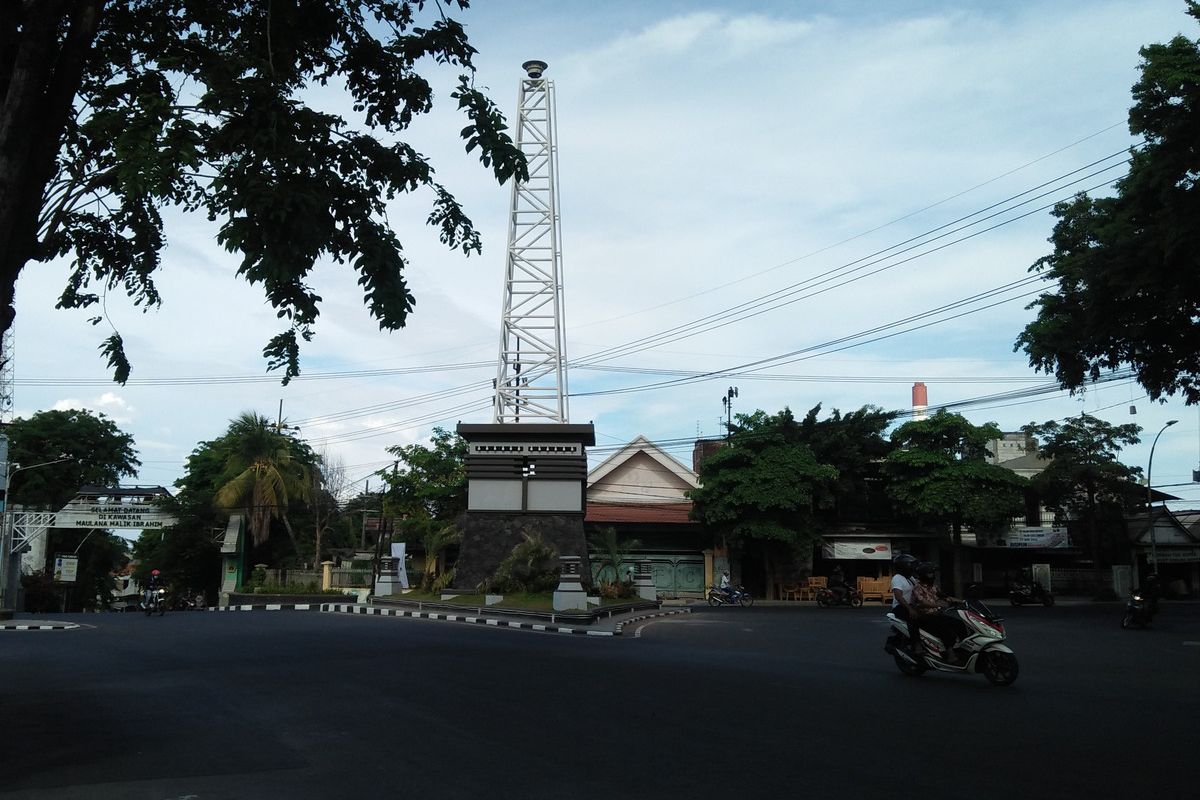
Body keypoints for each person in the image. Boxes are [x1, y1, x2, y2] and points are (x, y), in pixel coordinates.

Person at [912, 562, 963, 665]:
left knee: (960, 624)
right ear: (923, 575)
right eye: (929, 574)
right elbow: (922, 602)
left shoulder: (933, 587)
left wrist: (961, 601)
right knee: (945, 628)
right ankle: (950, 654)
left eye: (933, 573)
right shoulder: (917, 587)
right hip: (924, 616)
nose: (932, 576)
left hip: (936, 614)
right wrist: (938, 605)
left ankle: (963, 649)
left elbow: (944, 596)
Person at [890, 554, 920, 651]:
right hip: (900, 607)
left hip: (911, 605)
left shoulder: (910, 578)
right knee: (914, 619)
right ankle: (916, 644)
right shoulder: (897, 578)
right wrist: (910, 609)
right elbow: (899, 597)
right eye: (911, 565)